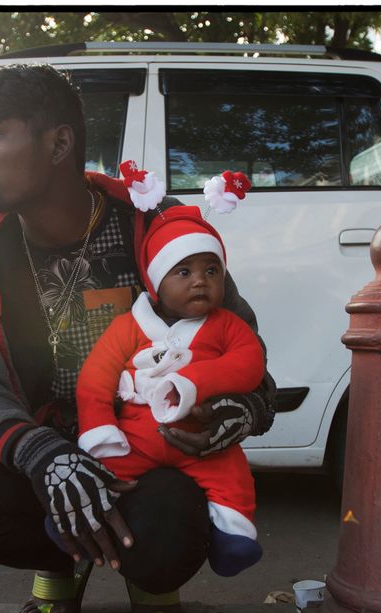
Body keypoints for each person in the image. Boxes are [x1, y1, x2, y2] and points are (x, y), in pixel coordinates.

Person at [0, 64, 276, 613]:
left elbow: (247, 355)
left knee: (166, 534)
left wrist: (234, 414)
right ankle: (61, 562)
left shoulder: (158, 227)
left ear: (59, 144)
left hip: (147, 455)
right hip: (51, 452)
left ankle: (150, 582)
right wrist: (48, 459)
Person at [75, 205, 265, 579]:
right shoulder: (130, 326)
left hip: (202, 440)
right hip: (134, 439)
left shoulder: (226, 325)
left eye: (212, 271)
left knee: (232, 476)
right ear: (156, 282)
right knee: (101, 477)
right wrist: (99, 429)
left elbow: (249, 363)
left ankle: (234, 538)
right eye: (184, 272)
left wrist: (196, 382)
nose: (200, 281)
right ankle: (78, 526)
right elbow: (95, 378)